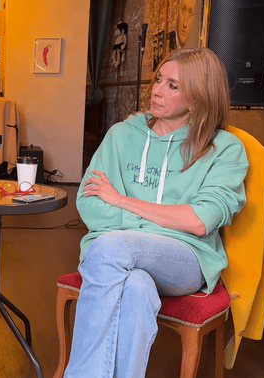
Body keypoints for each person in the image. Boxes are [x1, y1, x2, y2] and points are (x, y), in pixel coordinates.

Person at [63, 47, 248, 378]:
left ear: (199, 98)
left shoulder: (223, 149)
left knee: (110, 247)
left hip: (185, 258)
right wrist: (156, 223)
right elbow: (89, 202)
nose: (157, 91)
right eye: (159, 79)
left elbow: (198, 221)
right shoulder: (122, 136)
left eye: (172, 85)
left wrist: (121, 201)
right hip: (118, 254)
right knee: (136, 288)